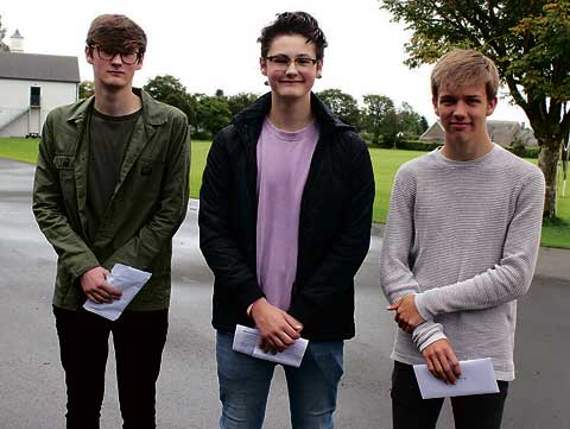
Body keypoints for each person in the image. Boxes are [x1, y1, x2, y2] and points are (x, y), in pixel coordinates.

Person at [199, 11, 375, 429]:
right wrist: (257, 305)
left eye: (302, 60)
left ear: (319, 67)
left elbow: (352, 241)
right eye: (280, 59)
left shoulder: (347, 148)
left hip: (318, 325)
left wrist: (300, 313)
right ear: (264, 66)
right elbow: (214, 231)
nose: (291, 69)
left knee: (315, 423)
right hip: (244, 319)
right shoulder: (232, 141)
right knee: (238, 421)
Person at [32, 14, 190, 429]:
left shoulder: (170, 124)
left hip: (142, 291)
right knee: (81, 407)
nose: (117, 61)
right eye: (107, 51)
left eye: (128, 53)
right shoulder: (59, 123)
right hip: (76, 290)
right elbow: (46, 204)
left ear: (140, 60)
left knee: (139, 408)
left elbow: (171, 208)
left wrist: (117, 272)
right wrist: (86, 267)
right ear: (90, 54)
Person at [379, 49, 545, 429]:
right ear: (435, 103)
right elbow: (393, 266)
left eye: (472, 100)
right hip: (416, 349)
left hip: (484, 355)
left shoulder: (524, 180)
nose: (459, 111)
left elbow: (515, 276)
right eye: (449, 100)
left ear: (491, 104)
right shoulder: (412, 176)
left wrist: (424, 304)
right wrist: (428, 335)